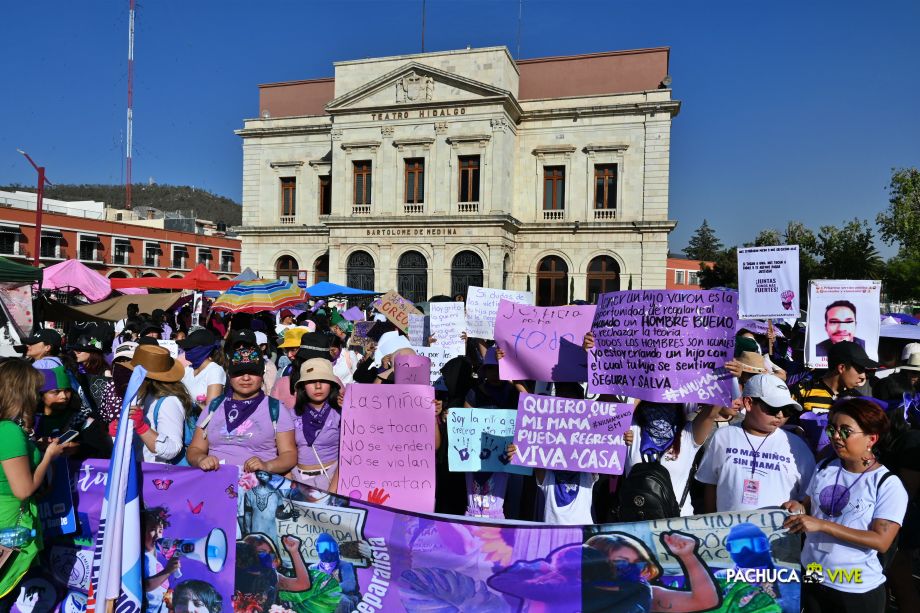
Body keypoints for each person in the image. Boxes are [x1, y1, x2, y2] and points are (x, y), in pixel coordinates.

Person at [783, 398, 908, 612]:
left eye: (845, 431)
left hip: (856, 586)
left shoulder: (887, 484)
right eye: (832, 430)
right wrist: (797, 508)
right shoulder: (824, 467)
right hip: (814, 572)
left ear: (871, 439)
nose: (836, 437)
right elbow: (810, 510)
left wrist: (822, 525)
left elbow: (881, 541)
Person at [0, 360, 74, 599]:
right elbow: (24, 489)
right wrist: (48, 457)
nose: (38, 395)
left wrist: (33, 447)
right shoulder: (9, 431)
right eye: (35, 389)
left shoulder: (8, 428)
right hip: (9, 526)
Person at [697, 374, 815, 513]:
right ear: (748, 403)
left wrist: (800, 507)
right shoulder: (723, 437)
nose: (780, 415)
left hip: (778, 533)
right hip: (726, 532)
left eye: (788, 410)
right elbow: (711, 484)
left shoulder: (797, 446)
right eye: (773, 408)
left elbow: (809, 499)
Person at [187, 346, 297, 474]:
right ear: (229, 375)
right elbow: (195, 449)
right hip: (215, 484)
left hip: (257, 488)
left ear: (262, 375)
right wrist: (201, 459)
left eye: (253, 372)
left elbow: (289, 454)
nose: (246, 378)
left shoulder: (276, 408)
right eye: (239, 372)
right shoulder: (214, 407)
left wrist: (267, 466)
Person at [622, 401, 725, 517]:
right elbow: (613, 411)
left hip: (676, 523)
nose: (661, 402)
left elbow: (712, 410)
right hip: (634, 522)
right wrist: (643, 392)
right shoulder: (631, 429)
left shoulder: (689, 433)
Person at [121, 345, 192, 465]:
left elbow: (172, 448)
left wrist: (142, 428)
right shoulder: (143, 396)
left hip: (160, 478)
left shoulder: (169, 402)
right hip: (143, 471)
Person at [34, 366, 111, 460]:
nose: (64, 396)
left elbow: (105, 451)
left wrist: (77, 449)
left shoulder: (82, 420)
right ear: (41, 395)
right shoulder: (30, 421)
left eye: (67, 391)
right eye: (56, 392)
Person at [289, 359, 341, 491]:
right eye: (311, 381)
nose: (318, 386)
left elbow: (348, 456)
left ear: (331, 384)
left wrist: (332, 493)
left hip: (331, 479)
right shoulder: (291, 414)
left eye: (323, 381)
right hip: (297, 481)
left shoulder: (340, 413)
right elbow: (283, 452)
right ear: (303, 387)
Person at [793, 341, 878, 414]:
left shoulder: (857, 400)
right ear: (841, 368)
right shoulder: (802, 391)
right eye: (859, 369)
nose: (863, 376)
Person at [142, 506, 180, 613]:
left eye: (160, 530)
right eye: (152, 530)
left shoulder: (155, 560)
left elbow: (159, 591)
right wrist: (167, 571)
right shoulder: (142, 558)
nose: (157, 536)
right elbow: (144, 586)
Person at [178, 328, 225, 412]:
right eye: (186, 348)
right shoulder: (188, 369)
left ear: (204, 349)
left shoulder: (215, 370)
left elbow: (210, 409)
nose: (186, 350)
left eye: (190, 348)